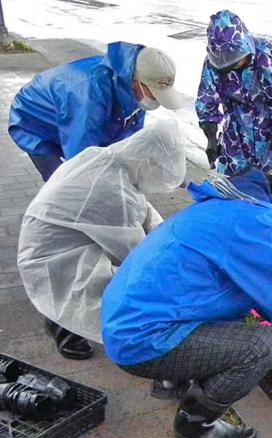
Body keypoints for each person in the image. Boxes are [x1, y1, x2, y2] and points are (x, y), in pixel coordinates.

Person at [101, 158, 272, 438]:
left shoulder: (235, 207)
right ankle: (194, 422)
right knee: (259, 346)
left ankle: (170, 381)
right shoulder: (256, 226)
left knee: (232, 315)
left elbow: (269, 296)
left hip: (129, 319)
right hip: (140, 339)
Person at [17, 120, 187, 360]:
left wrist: (171, 236)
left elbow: (144, 212)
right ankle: (70, 328)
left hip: (58, 242)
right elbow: (135, 258)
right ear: (148, 162)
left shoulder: (107, 160)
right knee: (128, 284)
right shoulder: (111, 190)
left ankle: (63, 319)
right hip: (52, 258)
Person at [8, 42, 183, 181]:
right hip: (34, 120)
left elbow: (130, 140)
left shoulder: (134, 84)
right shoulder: (89, 95)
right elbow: (80, 157)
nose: (156, 100)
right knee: (65, 182)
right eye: (154, 94)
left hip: (74, 115)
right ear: (136, 81)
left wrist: (160, 168)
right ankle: (61, 220)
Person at [196, 10, 272, 177]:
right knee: (237, 184)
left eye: (235, 58)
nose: (232, 64)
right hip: (238, 131)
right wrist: (211, 137)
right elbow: (206, 101)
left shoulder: (271, 56)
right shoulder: (213, 64)